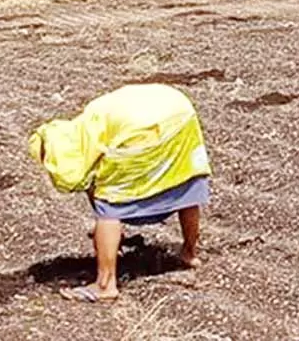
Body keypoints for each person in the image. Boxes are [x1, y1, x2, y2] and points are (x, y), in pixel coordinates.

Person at [29, 83, 211, 303]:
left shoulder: (82, 142)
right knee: (184, 179)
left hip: (144, 125)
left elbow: (84, 183)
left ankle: (105, 285)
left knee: (109, 202)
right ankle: (189, 254)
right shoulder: (85, 121)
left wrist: (106, 227)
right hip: (180, 110)